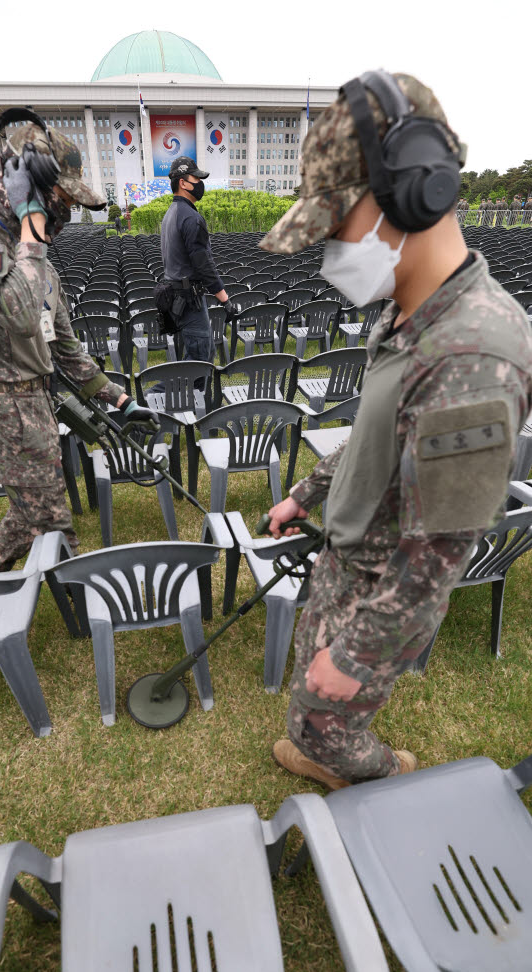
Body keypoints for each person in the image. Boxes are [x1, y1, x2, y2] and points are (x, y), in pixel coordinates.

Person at [260, 71, 532, 790]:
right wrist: (305, 494)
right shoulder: (411, 311)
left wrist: (352, 659)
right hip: (348, 555)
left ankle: (384, 777)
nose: (330, 254)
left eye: (337, 226)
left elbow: (433, 565)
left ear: (411, 192)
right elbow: (375, 435)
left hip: (382, 580)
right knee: (307, 704)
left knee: (323, 714)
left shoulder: (473, 354)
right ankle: (316, 741)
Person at [0, 118, 156, 573]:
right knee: (52, 515)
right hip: (2, 405)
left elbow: (65, 348)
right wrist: (31, 224)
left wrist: (119, 398)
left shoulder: (43, 266)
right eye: (62, 198)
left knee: (31, 506)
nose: (68, 213)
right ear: (27, 187)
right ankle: (86, 595)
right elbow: (18, 312)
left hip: (36, 402)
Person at [160, 155, 237, 364]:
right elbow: (203, 264)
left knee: (203, 353)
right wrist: (225, 301)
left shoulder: (171, 213)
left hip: (178, 295)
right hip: (188, 298)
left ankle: (193, 396)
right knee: (199, 360)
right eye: (196, 179)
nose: (200, 184)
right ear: (183, 183)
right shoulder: (191, 218)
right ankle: (154, 397)